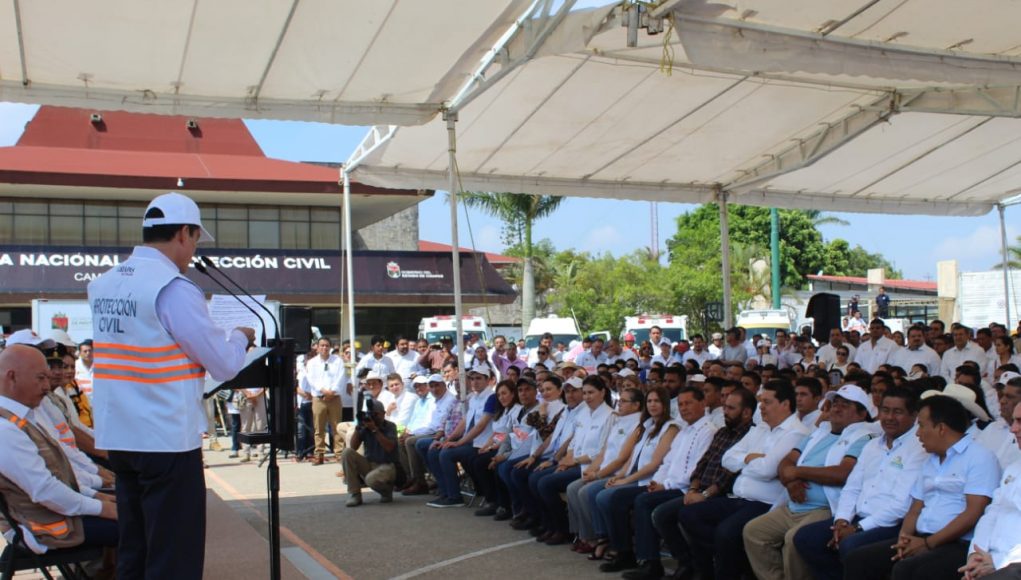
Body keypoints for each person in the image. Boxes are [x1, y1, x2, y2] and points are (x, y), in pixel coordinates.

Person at [87, 192, 254, 579]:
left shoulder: (104, 284)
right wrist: (240, 336)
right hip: (166, 439)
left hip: (120, 436)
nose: (194, 251)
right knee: (173, 555)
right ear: (183, 233)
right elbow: (224, 363)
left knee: (135, 548)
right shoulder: (173, 288)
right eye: (195, 239)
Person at [844, 395, 1000, 580]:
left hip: (955, 543)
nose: (917, 434)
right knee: (859, 559)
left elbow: (973, 512)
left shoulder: (979, 457)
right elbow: (915, 508)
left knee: (908, 570)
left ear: (941, 428)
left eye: (922, 425)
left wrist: (928, 543)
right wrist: (904, 539)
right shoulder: (930, 461)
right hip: (921, 537)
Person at [678, 380, 809, 580]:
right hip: (737, 497)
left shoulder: (796, 433)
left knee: (725, 533)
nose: (761, 407)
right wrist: (752, 457)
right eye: (761, 401)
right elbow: (727, 459)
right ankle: (735, 560)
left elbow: (768, 470)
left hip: (764, 502)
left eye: (767, 402)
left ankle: (727, 566)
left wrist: (746, 458)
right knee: (689, 515)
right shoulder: (761, 428)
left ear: (785, 404)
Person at [743, 384, 876, 580]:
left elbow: (842, 473)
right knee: (754, 531)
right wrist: (790, 483)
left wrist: (797, 472)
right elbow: (786, 462)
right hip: (794, 504)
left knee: (794, 539)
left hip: (824, 508)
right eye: (835, 403)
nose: (837, 408)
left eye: (845, 405)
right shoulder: (820, 431)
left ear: (862, 413)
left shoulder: (864, 437)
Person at [793, 386, 927, 580]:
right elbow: (852, 487)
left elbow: (901, 506)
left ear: (913, 415)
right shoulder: (872, 445)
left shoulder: (919, 448)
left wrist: (857, 529)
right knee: (805, 538)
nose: (889, 417)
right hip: (857, 517)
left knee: (851, 545)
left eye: (898, 412)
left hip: (890, 523)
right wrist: (841, 521)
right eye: (885, 410)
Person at [0, 345, 119, 556]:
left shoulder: (22, 416)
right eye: (40, 378)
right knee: (142, 523)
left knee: (141, 515)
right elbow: (45, 490)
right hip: (48, 529)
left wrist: (96, 496)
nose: (47, 386)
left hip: (59, 516)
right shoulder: (5, 428)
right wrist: (103, 507)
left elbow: (59, 475)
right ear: (12, 377)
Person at [959, 398, 1021, 578]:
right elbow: (993, 512)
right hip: (992, 559)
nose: (1013, 429)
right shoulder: (1013, 468)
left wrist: (998, 562)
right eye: (1014, 421)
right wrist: (975, 554)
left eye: (1020, 421)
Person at [341, 398, 398, 507]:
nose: (373, 417)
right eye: (371, 414)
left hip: (387, 465)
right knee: (347, 453)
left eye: (376, 414)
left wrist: (375, 430)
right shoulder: (366, 427)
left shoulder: (390, 426)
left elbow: (389, 447)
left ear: (383, 413)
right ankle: (355, 494)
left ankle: (386, 491)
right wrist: (358, 428)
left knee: (370, 479)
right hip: (369, 463)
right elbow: (353, 447)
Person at [301, 337, 348, 465]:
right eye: (322, 345)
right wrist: (323, 391)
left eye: (327, 345)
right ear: (317, 347)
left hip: (334, 398)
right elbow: (311, 379)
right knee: (319, 428)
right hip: (319, 398)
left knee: (337, 427)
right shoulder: (312, 362)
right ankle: (319, 454)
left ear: (330, 347)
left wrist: (332, 392)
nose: (324, 348)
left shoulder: (337, 361)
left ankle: (339, 454)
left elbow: (341, 377)